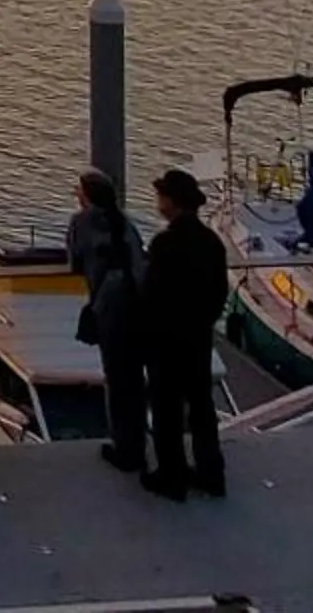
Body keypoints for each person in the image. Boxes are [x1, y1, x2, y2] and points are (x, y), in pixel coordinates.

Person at [141, 167, 228, 499]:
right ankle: (211, 472)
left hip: (166, 338)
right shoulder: (211, 243)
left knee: (167, 408)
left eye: (161, 195)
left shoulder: (165, 244)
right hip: (198, 336)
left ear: (172, 202)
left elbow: (153, 294)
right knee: (201, 405)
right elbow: (219, 292)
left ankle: (170, 474)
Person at [66, 169, 146, 473]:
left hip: (110, 303)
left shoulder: (81, 222)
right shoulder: (126, 223)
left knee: (116, 376)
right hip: (139, 302)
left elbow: (74, 260)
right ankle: (138, 442)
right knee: (135, 378)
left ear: (85, 196)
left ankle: (125, 449)